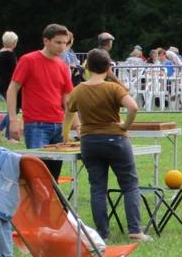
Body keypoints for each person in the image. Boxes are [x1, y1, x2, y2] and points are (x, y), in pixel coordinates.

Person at [62, 49, 150, 243]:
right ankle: (135, 230)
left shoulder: (79, 90)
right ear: (108, 67)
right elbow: (133, 107)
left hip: (89, 142)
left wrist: (70, 131)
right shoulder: (113, 88)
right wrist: (126, 125)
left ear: (87, 66)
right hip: (115, 140)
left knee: (98, 188)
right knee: (129, 184)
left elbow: (69, 109)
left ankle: (102, 233)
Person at [7, 24, 74, 178]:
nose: (62, 47)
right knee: (37, 175)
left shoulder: (63, 66)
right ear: (46, 41)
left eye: (65, 43)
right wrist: (13, 119)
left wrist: (75, 125)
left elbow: (68, 99)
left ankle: (52, 202)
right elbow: (12, 89)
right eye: (58, 42)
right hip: (37, 125)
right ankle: (37, 202)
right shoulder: (28, 60)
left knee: (53, 176)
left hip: (59, 124)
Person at [0, 31, 19, 139]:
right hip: (9, 85)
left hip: (1, 83)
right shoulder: (10, 55)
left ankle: (0, 130)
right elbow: (16, 71)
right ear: (14, 43)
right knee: (13, 109)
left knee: (12, 109)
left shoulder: (0, 53)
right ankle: (8, 135)